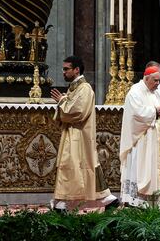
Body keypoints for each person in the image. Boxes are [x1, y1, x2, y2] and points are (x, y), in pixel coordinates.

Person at [50, 55, 117, 210]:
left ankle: (62, 202)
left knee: (75, 165)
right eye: (63, 69)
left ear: (76, 69)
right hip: (72, 134)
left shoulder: (85, 89)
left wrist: (62, 101)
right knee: (73, 165)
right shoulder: (75, 88)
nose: (63, 72)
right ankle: (107, 199)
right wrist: (63, 101)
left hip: (79, 135)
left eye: (66, 69)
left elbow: (77, 112)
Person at [119, 61, 160, 207]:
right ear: (146, 77)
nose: (158, 83)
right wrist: (155, 111)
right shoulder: (135, 91)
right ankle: (139, 203)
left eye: (159, 80)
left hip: (159, 141)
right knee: (143, 170)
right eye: (155, 80)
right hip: (143, 141)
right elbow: (137, 114)